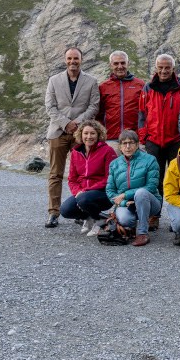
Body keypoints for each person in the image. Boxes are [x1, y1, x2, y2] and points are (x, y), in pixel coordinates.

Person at [43, 47, 99, 228]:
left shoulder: (91, 81)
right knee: (55, 174)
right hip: (58, 132)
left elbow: (94, 106)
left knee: (83, 174)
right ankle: (53, 212)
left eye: (76, 58)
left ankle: (80, 210)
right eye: (69, 58)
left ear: (81, 59)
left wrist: (77, 124)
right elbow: (50, 107)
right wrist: (65, 123)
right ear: (65, 59)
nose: (72, 61)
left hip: (80, 135)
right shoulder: (54, 80)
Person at [59, 119, 116, 236]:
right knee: (65, 210)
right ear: (81, 134)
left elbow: (110, 178)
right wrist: (78, 192)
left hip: (103, 193)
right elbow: (72, 179)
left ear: (98, 135)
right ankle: (90, 217)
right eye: (86, 133)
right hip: (82, 194)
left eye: (92, 133)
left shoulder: (107, 151)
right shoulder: (75, 152)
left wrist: (85, 192)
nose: (89, 137)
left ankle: (100, 221)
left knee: (83, 199)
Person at [106, 130, 161, 246]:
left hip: (149, 201)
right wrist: (124, 202)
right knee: (125, 220)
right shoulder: (114, 164)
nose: (127, 146)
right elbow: (110, 191)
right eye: (124, 143)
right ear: (120, 146)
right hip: (127, 204)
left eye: (131, 143)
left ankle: (142, 233)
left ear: (137, 144)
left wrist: (126, 194)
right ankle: (131, 227)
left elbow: (151, 186)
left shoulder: (150, 160)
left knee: (141, 193)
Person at [138, 53, 180, 181]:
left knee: (176, 177)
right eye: (160, 67)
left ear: (173, 69)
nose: (163, 71)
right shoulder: (148, 87)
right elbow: (142, 114)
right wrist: (143, 139)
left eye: (167, 67)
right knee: (155, 177)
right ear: (156, 68)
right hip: (153, 141)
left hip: (176, 140)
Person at [96, 50, 146, 149]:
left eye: (123, 63)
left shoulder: (140, 85)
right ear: (110, 65)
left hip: (134, 138)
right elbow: (99, 114)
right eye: (116, 63)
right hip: (111, 138)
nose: (120, 66)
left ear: (128, 63)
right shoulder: (103, 87)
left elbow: (145, 112)